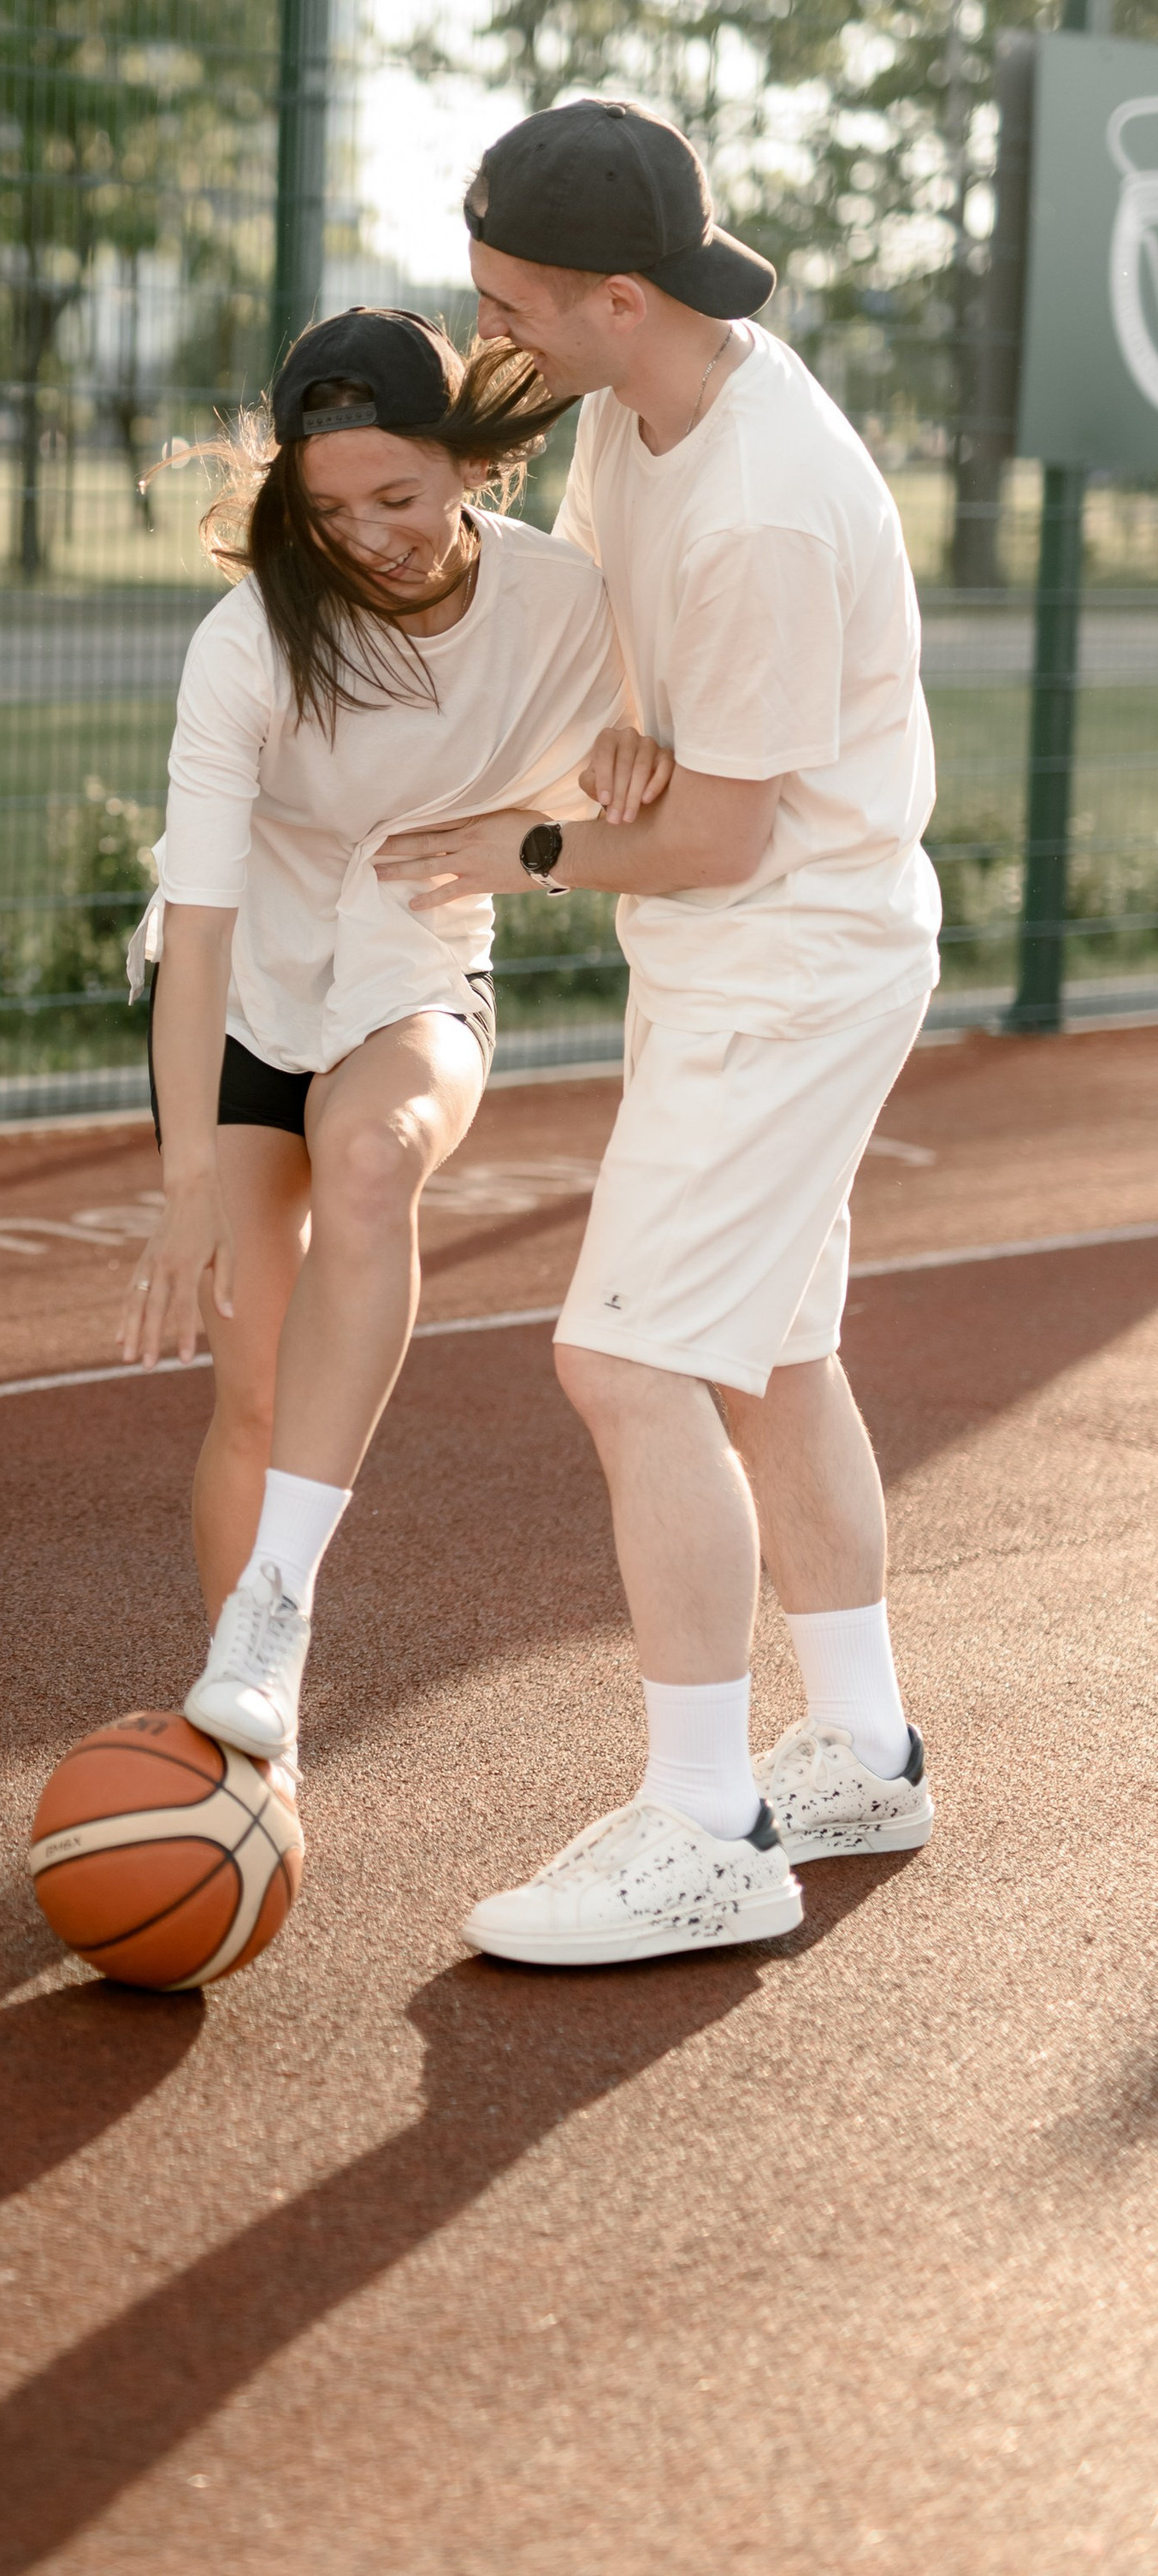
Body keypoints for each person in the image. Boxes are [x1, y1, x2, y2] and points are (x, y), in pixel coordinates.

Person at [377, 98, 941, 1967]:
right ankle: (858, 1750)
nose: (491, 338)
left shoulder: (767, 505)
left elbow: (714, 834)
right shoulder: (635, 411)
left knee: (624, 1364)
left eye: (510, 303)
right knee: (769, 1354)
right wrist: (622, 731)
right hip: (744, 945)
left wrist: (531, 842)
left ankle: (707, 1827)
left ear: (619, 295)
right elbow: (667, 739)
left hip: (785, 954)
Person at [119, 305, 636, 1775]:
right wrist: (185, 1190)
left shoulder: (566, 604)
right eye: (330, 508)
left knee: (371, 1158)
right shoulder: (249, 643)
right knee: (257, 1387)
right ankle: (249, 1742)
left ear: (468, 464)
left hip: (414, 955)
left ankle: (277, 1608)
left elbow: (664, 760)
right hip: (242, 986)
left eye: (398, 499)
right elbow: (201, 927)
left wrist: (593, 788)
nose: (369, 536)